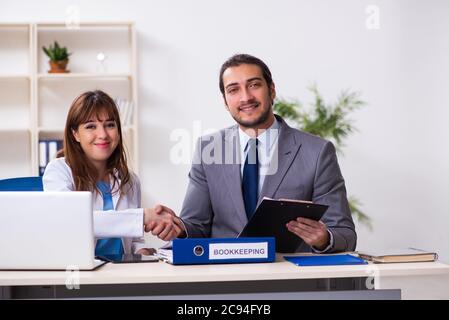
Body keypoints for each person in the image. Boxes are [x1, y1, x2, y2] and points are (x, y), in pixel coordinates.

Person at [162, 53, 356, 253]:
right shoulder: (208, 149)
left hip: (288, 278)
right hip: (224, 278)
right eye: (234, 89)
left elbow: (345, 234)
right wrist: (178, 229)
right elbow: (196, 226)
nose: (246, 97)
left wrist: (324, 238)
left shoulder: (317, 152)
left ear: (272, 90)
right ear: (225, 101)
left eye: (254, 85)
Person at [43, 90, 181, 256]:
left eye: (110, 125)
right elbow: (72, 220)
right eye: (90, 126)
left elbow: (134, 240)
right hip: (78, 274)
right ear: (75, 134)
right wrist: (143, 217)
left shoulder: (130, 180)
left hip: (120, 274)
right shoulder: (58, 171)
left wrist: (142, 251)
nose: (103, 135)